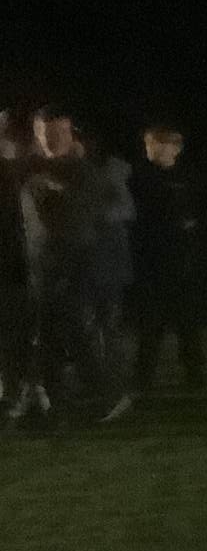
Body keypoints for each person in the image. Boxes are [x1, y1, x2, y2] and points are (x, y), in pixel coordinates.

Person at [14, 106, 125, 423]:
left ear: (69, 133)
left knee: (74, 331)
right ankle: (52, 402)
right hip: (40, 265)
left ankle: (104, 395)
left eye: (59, 132)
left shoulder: (81, 170)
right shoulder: (30, 169)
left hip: (73, 263)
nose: (52, 138)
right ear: (37, 134)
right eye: (45, 132)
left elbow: (81, 216)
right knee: (47, 335)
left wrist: (53, 188)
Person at [131, 122, 205, 392]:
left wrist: (191, 230)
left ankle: (195, 373)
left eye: (162, 145)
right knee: (151, 325)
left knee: (187, 322)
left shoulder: (187, 178)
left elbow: (199, 212)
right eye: (151, 145)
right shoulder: (139, 178)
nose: (155, 150)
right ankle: (143, 378)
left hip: (182, 261)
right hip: (152, 263)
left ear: (176, 148)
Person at [79, 126, 136, 381]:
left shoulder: (116, 170)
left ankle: (113, 373)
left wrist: (100, 214)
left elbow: (127, 210)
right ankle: (96, 374)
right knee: (88, 320)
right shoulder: (76, 170)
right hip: (86, 257)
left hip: (110, 256)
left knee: (109, 320)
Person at [0, 115, 33, 408]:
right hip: (14, 263)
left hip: (14, 265)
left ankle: (16, 390)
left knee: (13, 332)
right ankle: (14, 389)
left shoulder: (16, 172)